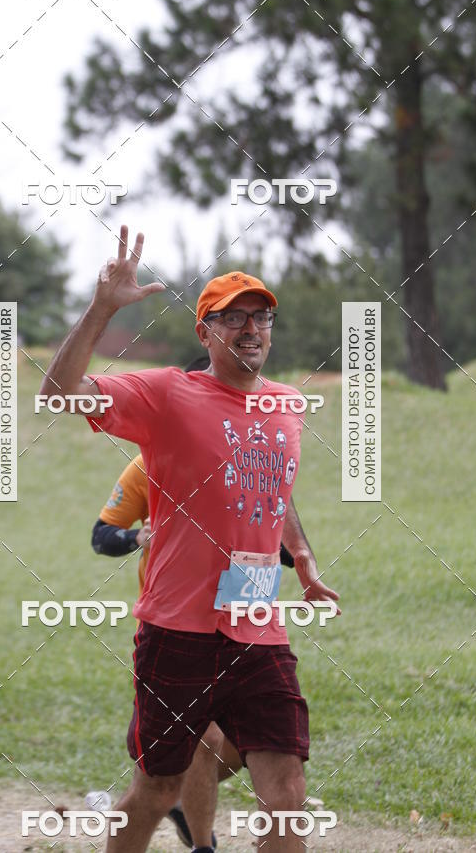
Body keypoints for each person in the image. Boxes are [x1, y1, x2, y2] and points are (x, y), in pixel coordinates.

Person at [41, 226, 340, 853]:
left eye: (260, 318)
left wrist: (305, 562)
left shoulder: (287, 405)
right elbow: (59, 396)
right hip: (178, 631)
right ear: (204, 334)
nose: (250, 329)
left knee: (285, 790)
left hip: (259, 623)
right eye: (230, 319)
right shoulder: (167, 393)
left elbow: (273, 492)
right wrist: (102, 308)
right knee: (158, 787)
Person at [92, 355, 299, 849]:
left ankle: (178, 799)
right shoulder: (149, 460)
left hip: (252, 621)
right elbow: (102, 536)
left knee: (258, 762)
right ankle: (197, 836)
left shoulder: (252, 453)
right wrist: (138, 539)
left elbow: (278, 516)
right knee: (196, 749)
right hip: (178, 625)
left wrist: (296, 555)